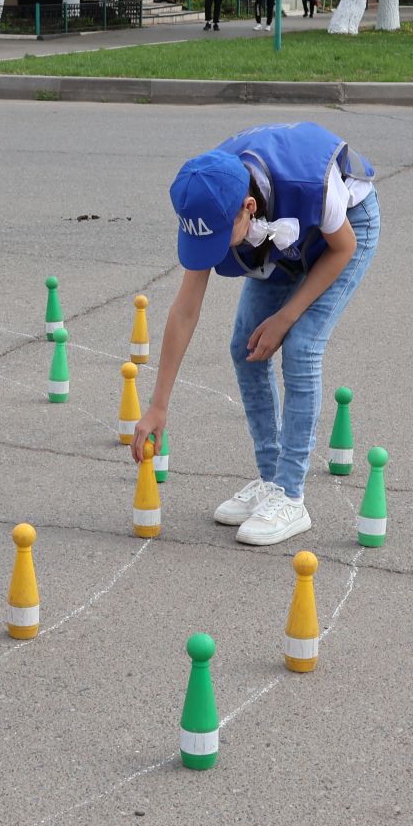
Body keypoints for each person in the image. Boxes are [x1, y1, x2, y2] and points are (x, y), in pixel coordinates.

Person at [131, 123, 381, 546]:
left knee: (301, 348)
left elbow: (343, 248)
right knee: (244, 346)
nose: (212, 252)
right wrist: (158, 404)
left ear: (248, 207)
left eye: (218, 239)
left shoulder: (306, 182)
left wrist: (286, 317)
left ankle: (290, 496)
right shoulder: (208, 194)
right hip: (277, 242)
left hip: (344, 233)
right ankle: (270, 480)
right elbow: (186, 308)